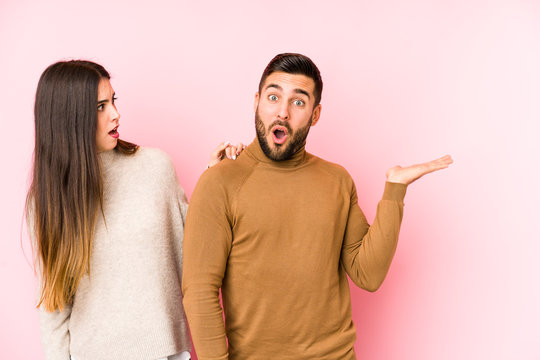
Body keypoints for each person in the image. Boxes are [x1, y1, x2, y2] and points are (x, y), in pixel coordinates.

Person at [182, 53, 453, 359]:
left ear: (315, 114)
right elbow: (199, 291)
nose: (282, 112)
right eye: (273, 97)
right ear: (257, 101)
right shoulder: (219, 183)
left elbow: (368, 274)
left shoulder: (336, 180)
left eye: (298, 102)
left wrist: (395, 190)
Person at [26, 60, 243, 360]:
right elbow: (53, 308)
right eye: (99, 107)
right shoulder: (48, 200)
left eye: (113, 101)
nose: (116, 114)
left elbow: (191, 254)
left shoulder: (154, 167)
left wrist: (213, 181)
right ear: (69, 118)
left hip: (165, 350)